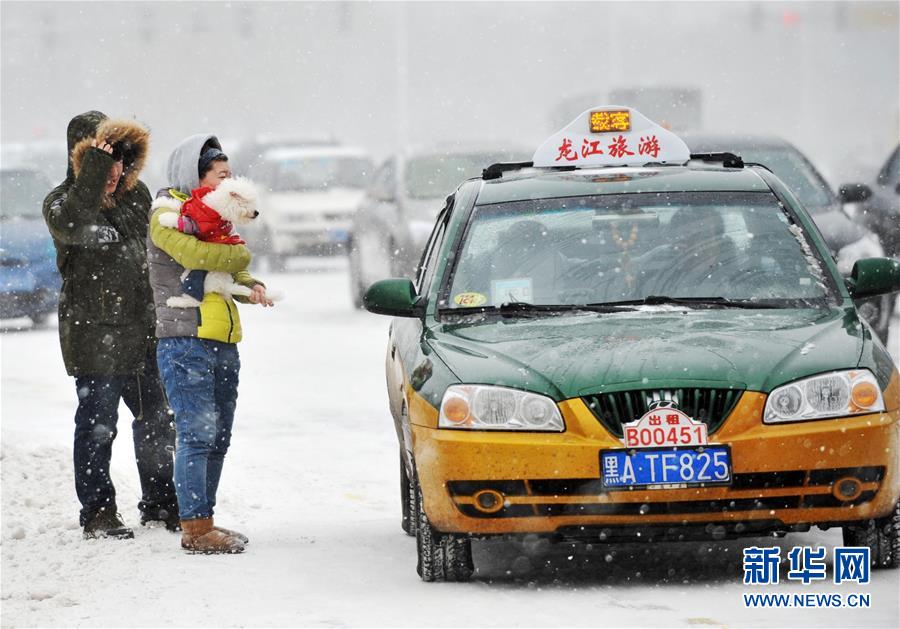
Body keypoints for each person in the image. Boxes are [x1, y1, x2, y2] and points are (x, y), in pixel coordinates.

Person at [42, 111, 178, 539]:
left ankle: (160, 503)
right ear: (79, 159)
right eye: (104, 160)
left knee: (157, 422)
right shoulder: (61, 204)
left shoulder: (137, 201)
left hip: (145, 332)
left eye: (121, 159)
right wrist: (93, 174)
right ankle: (98, 513)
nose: (115, 170)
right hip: (94, 335)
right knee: (98, 426)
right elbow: (77, 222)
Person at [147, 134, 272, 554]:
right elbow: (203, 257)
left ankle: (207, 521)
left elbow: (231, 267)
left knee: (218, 436)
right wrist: (240, 259)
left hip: (221, 338)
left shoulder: (218, 219)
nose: (227, 183)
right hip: (184, 340)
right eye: (220, 175)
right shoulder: (167, 212)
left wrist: (251, 284)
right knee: (197, 434)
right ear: (194, 175)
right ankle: (195, 528)